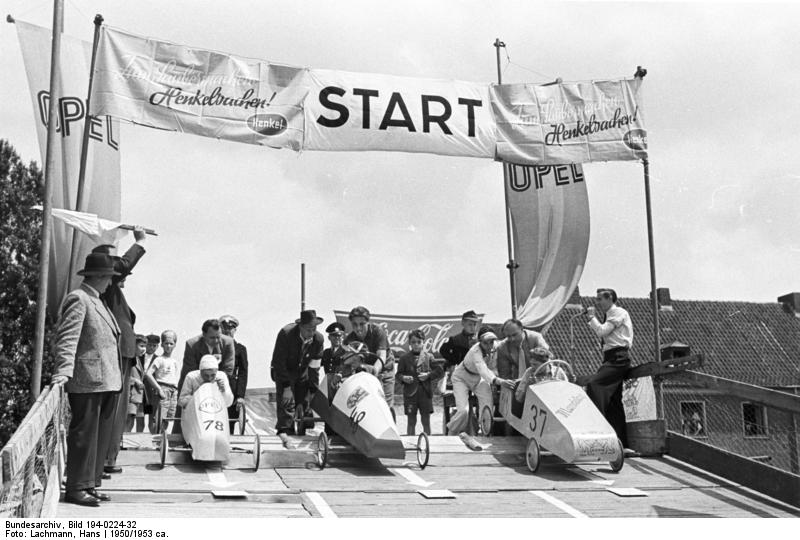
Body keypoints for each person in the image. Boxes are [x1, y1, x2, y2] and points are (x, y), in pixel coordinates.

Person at [51, 253, 122, 507]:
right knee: (84, 433)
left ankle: (89, 483)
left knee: (98, 436)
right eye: (110, 278)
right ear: (100, 277)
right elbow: (67, 339)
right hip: (87, 378)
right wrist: (63, 371)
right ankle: (76, 487)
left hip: (107, 380)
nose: (112, 283)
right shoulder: (79, 299)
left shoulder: (97, 300)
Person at [91, 228, 147, 476]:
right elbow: (123, 265)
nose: (125, 275)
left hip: (123, 354)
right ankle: (104, 459)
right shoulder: (109, 287)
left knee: (116, 412)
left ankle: (107, 458)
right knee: (112, 412)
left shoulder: (113, 293)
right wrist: (139, 242)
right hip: (118, 353)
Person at [446, 326, 514, 447]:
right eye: (485, 342)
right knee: (463, 411)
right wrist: (500, 381)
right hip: (461, 378)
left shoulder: (496, 346)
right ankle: (451, 433)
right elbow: (483, 371)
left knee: (488, 406)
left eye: (491, 342)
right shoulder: (475, 352)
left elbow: (507, 340)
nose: (489, 345)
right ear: (479, 342)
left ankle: (484, 434)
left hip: (478, 379)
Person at [585, 288, 634, 447]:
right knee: (614, 401)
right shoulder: (610, 315)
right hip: (610, 358)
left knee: (594, 385)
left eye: (600, 299)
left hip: (618, 358)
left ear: (610, 298)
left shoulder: (618, 312)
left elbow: (602, 331)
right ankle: (620, 442)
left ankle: (598, 427)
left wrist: (591, 317)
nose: (597, 302)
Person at [270, 310, 325, 448]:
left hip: (302, 372)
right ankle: (285, 432)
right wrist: (287, 387)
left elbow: (314, 367)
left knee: (305, 402)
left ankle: (303, 431)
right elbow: (278, 362)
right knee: (287, 403)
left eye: (314, 329)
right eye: (308, 330)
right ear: (300, 327)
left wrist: (313, 390)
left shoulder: (318, 339)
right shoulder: (286, 334)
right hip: (283, 371)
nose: (311, 333)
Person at [174, 319, 235, 434]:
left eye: (218, 336)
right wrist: (204, 386)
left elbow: (228, 369)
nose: (217, 340)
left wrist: (216, 384)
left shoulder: (228, 342)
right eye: (212, 338)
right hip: (195, 382)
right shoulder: (192, 344)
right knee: (184, 411)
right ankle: (178, 436)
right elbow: (190, 372)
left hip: (216, 382)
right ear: (204, 335)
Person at [344, 306, 395, 410]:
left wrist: (374, 372)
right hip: (365, 372)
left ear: (368, 322)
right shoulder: (350, 339)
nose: (358, 328)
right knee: (367, 406)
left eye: (362, 324)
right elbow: (344, 361)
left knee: (385, 406)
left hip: (384, 371)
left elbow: (381, 357)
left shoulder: (377, 331)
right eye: (354, 324)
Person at [396, 329, 444, 436]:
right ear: (409, 343)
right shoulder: (404, 358)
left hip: (425, 394)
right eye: (413, 342)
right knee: (411, 421)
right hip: (410, 394)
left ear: (423, 342)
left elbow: (440, 372)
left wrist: (428, 375)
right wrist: (404, 378)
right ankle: (410, 442)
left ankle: (428, 444)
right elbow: (397, 375)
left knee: (425, 421)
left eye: (419, 342)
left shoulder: (429, 357)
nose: (416, 345)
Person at [145, 330, 180, 434]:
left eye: (171, 344)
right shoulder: (159, 359)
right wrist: (158, 388)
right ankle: (155, 440)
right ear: (162, 345)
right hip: (162, 388)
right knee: (159, 417)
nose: (168, 346)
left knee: (168, 418)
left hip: (173, 390)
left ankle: (162, 440)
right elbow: (148, 374)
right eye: (166, 343)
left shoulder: (174, 361)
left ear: (175, 345)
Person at [219, 315, 249, 433]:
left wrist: (240, 396)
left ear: (234, 330)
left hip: (232, 389)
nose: (227, 331)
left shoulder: (240, 349)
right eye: (224, 328)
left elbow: (243, 372)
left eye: (230, 329)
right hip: (215, 387)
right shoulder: (213, 348)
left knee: (229, 423)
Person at [438, 310, 480, 390]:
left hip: (476, 373)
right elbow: (443, 350)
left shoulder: (480, 339)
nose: (473, 327)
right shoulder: (455, 339)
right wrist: (454, 360)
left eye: (474, 325)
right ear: (463, 323)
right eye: (470, 324)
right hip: (461, 374)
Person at [125, 335, 147, 433]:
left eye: (144, 346)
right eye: (141, 346)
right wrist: (136, 381)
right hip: (131, 395)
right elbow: (124, 376)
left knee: (135, 421)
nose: (144, 349)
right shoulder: (130, 359)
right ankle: (122, 442)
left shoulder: (138, 359)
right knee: (129, 420)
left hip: (138, 397)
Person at [141, 334, 160, 431]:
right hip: (141, 391)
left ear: (157, 346)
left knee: (152, 419)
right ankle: (138, 442)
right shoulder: (139, 356)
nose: (151, 347)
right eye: (149, 345)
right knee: (140, 417)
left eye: (154, 345)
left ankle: (152, 442)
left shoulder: (159, 359)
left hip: (151, 393)